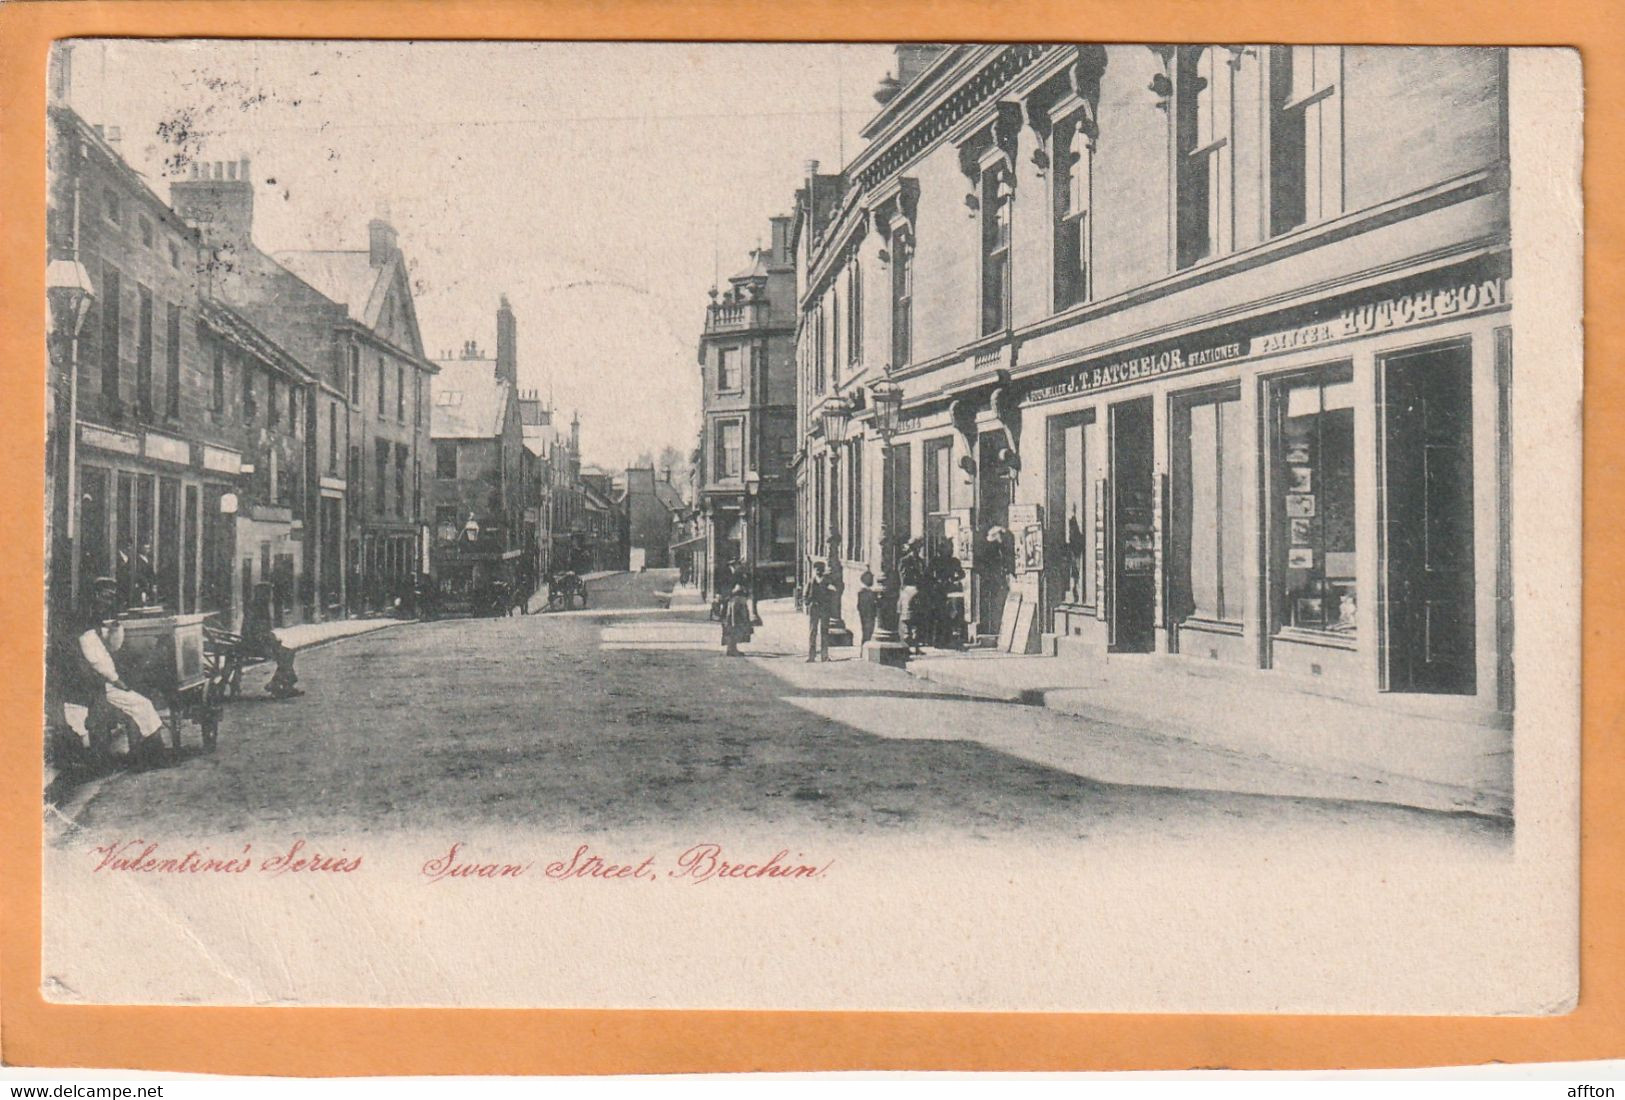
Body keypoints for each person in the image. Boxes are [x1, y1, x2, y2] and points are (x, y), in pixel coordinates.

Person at [60, 577, 172, 768]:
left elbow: (106, 651)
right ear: (96, 595)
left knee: (139, 704)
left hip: (95, 681)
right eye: (106, 596)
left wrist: (113, 632)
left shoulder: (94, 615)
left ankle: (146, 753)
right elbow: (96, 659)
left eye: (112, 598)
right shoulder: (85, 619)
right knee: (141, 704)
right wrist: (117, 680)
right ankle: (152, 756)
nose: (109, 601)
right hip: (90, 685)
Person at [242, 582, 301, 698]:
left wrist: (271, 637)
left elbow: (264, 629)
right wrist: (268, 638)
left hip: (263, 642)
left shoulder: (261, 606)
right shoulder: (255, 607)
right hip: (255, 645)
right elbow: (250, 630)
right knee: (287, 654)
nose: (270, 596)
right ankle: (280, 684)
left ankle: (279, 684)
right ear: (261, 594)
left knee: (288, 653)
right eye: (267, 593)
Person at [802, 561, 835, 662]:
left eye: (820, 570)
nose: (819, 571)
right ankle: (811, 656)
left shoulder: (827, 581)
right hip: (814, 608)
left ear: (823, 571)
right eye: (817, 569)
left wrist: (829, 601)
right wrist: (807, 602)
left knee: (824, 631)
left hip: (824, 609)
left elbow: (833, 594)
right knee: (813, 631)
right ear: (814, 570)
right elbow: (805, 594)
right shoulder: (811, 581)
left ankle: (824, 656)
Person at [720, 584, 753, 657]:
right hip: (737, 599)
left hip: (735, 598)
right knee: (735, 624)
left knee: (732, 624)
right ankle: (732, 649)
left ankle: (731, 648)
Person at [855, 569, 879, 644]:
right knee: (867, 633)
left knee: (867, 633)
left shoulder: (864, 591)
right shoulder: (864, 592)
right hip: (867, 615)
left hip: (866, 615)